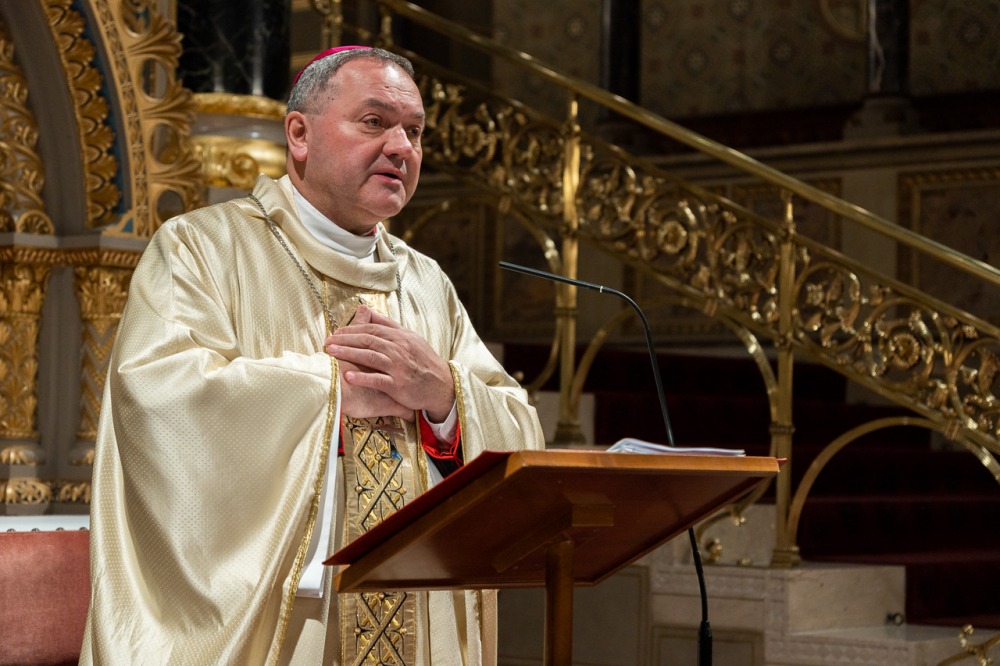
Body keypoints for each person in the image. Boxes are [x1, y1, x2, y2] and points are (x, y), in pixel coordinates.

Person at [80, 46, 545, 665]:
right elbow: (159, 403)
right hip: (287, 625)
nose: (401, 148)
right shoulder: (203, 249)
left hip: (417, 618)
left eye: (414, 132)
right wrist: (332, 392)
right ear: (298, 134)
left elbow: (520, 431)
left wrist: (443, 395)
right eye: (375, 122)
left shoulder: (425, 282)